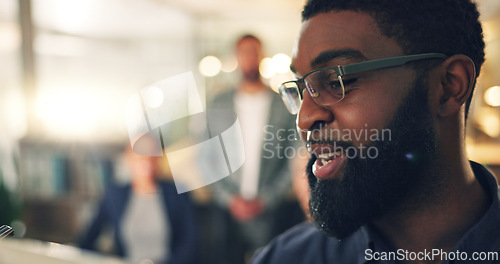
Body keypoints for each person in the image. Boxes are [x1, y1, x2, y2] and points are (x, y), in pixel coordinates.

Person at [251, 0, 500, 263]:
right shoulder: (286, 258)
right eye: (302, 89)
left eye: (338, 81)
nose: (304, 118)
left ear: (449, 86)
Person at [206, 34, 303, 264]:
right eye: (243, 52)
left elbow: (294, 154)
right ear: (236, 58)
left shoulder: (282, 103)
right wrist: (229, 198)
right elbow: (207, 156)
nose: (249, 57)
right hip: (227, 208)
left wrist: (268, 198)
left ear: (262, 56)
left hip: (271, 207)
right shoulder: (218, 104)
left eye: (254, 51)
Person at [79, 138, 198, 264]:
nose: (144, 158)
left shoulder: (176, 194)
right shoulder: (114, 196)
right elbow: (86, 241)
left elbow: (190, 244)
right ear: (127, 158)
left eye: (150, 152)